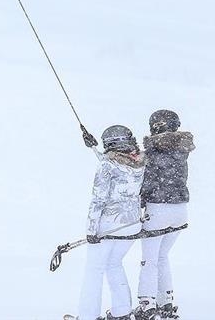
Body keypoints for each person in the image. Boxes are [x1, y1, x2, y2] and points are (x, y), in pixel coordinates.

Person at [74, 125, 146, 320]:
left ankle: (87, 315)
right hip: (131, 225)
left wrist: (91, 230)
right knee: (114, 264)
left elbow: (98, 199)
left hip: (108, 225)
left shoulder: (107, 165)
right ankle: (122, 312)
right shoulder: (139, 162)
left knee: (94, 270)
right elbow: (117, 168)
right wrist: (93, 148)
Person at [136, 110, 195, 320]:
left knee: (149, 260)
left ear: (155, 126)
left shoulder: (152, 152)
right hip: (180, 209)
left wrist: (140, 202)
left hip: (158, 207)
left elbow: (146, 180)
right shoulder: (182, 149)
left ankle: (147, 304)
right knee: (162, 257)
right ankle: (166, 302)